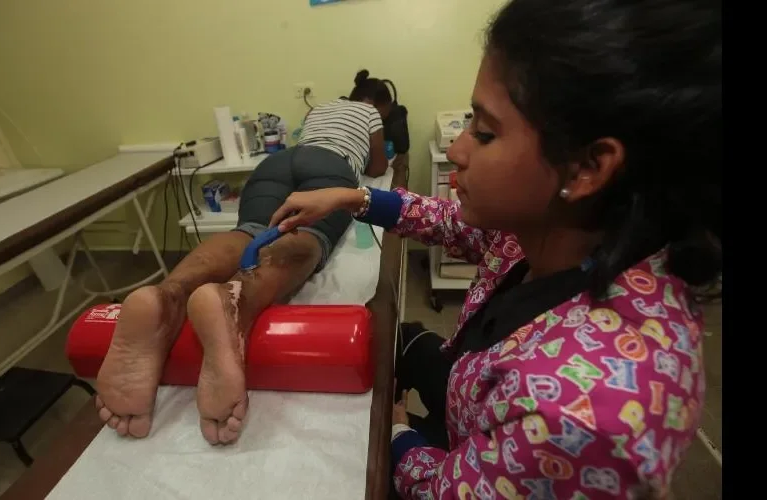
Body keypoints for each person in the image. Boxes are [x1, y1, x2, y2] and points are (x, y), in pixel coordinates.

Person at [269, 0, 721, 496]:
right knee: (400, 336)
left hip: (461, 460)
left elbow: (448, 491)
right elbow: (452, 223)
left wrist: (398, 435)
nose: (457, 150)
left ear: (586, 168)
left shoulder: (578, 414)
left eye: (485, 133)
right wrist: (353, 197)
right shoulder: (556, 231)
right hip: (469, 402)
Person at [94, 70, 394, 445]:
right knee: (302, 235)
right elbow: (378, 168)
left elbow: (304, 146)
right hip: (331, 167)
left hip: (277, 164)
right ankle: (235, 300)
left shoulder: (319, 109)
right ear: (378, 103)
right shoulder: (370, 112)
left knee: (250, 231)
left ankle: (169, 294)